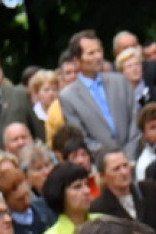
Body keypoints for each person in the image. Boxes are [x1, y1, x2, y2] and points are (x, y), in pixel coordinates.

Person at [59, 31, 141, 159]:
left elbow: (135, 119)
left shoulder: (120, 81)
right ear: (76, 61)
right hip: (101, 163)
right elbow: (82, 137)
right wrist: (111, 159)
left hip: (134, 156)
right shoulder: (68, 97)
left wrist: (129, 154)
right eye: (91, 53)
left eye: (99, 51)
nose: (97, 57)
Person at [38, 161, 99, 234]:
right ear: (60, 193)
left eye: (87, 184)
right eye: (77, 187)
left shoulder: (104, 221)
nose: (87, 191)